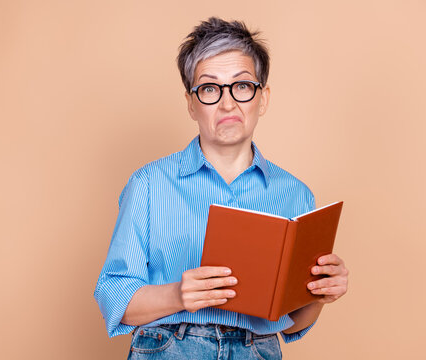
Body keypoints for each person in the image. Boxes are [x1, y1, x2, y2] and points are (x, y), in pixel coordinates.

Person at [94, 17, 349, 360]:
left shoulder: (296, 195)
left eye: (242, 86)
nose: (228, 104)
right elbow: (113, 296)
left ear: (263, 98)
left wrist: (320, 293)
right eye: (210, 88)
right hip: (170, 347)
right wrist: (178, 296)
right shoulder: (149, 184)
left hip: (258, 350)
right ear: (191, 102)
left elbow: (290, 324)